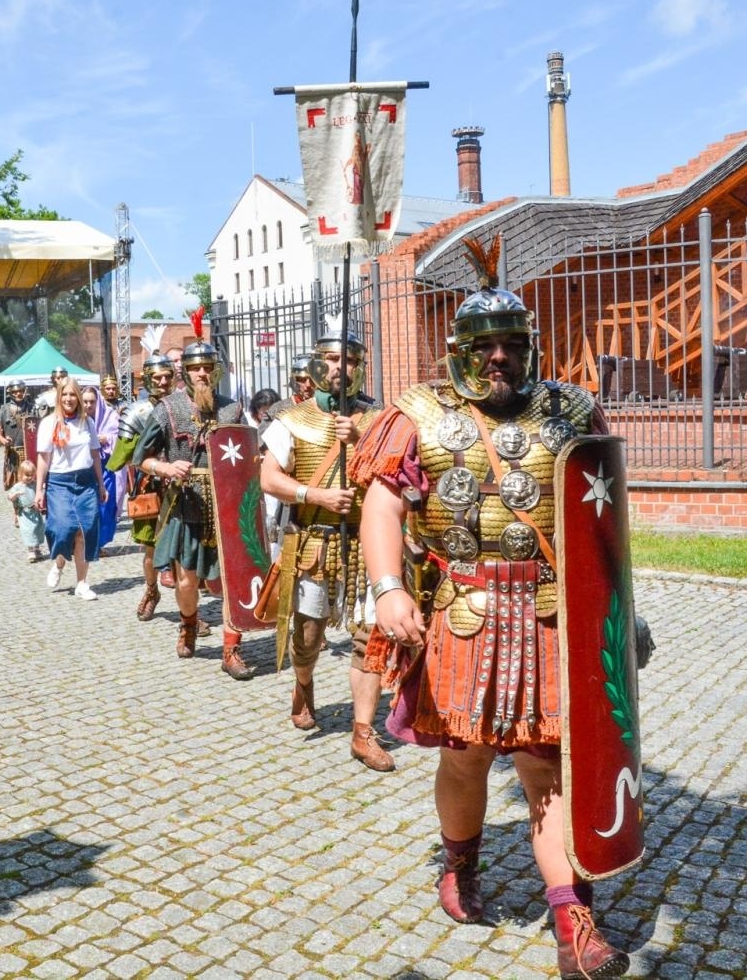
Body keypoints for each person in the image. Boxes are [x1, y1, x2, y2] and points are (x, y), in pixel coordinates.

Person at [349, 240, 630, 978]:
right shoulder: (418, 414)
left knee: (546, 766)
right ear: (461, 350)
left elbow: (603, 518)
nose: (499, 357)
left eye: (511, 344)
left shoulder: (572, 410)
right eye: (485, 345)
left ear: (529, 347)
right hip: (464, 609)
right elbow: (381, 504)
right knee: (466, 756)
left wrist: (620, 608)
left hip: (549, 612)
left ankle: (573, 922)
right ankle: (460, 863)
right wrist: (389, 588)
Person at [260, 327, 394, 772]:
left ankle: (363, 731)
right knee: (309, 638)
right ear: (319, 364)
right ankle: (304, 682)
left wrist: (360, 442)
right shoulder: (291, 420)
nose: (342, 368)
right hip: (314, 543)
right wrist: (315, 495)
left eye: (351, 361)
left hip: (368, 542)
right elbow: (269, 479)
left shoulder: (378, 420)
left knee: (370, 638)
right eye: (334, 360)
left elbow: (398, 475)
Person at [131, 329, 248, 675]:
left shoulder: (232, 409)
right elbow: (140, 458)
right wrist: (166, 467)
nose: (202, 374)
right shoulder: (168, 409)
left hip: (226, 508)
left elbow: (248, 455)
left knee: (230, 582)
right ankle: (188, 623)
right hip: (185, 505)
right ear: (186, 372)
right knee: (186, 582)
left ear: (216, 370)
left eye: (207, 367)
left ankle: (231, 649)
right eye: (196, 368)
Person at [34, 375, 108, 601]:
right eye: (64, 394)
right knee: (62, 529)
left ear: (78, 397)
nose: (69, 399)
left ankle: (82, 583)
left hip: (86, 481)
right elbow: (43, 458)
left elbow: (95, 455)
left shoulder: (88, 423)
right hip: (59, 482)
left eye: (73, 395)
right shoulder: (49, 423)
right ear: (59, 397)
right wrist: (39, 489)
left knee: (84, 531)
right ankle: (59, 562)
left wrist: (101, 484)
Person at [128, 351, 177, 620]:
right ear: (147, 379)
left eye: (167, 376)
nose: (162, 382)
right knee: (150, 547)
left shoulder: (184, 407)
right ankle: (151, 590)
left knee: (182, 548)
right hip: (150, 486)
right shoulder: (137, 412)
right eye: (157, 378)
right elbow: (126, 456)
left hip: (180, 485)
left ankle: (189, 612)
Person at [85, 382, 121, 545]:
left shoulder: (110, 415)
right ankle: (85, 542)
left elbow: (120, 437)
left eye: (92, 402)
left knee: (105, 505)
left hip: (106, 466)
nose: (88, 405)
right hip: (86, 467)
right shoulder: (78, 418)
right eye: (85, 402)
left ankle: (100, 542)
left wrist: (107, 438)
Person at [0, 382, 31, 493]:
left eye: (20, 391)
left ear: (25, 391)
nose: (18, 394)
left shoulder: (32, 408)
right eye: (15, 392)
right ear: (10, 393)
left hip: (31, 453)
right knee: (15, 485)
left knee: (31, 484)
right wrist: (4, 441)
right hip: (13, 453)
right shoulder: (4, 409)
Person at [6, 459, 46, 562]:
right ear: (20, 474)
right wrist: (16, 494)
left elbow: (40, 490)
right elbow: (10, 497)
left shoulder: (35, 484)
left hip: (35, 512)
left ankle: (37, 549)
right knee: (28, 531)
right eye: (26, 475)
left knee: (37, 530)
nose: (29, 477)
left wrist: (43, 487)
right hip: (24, 514)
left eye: (31, 475)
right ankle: (30, 550)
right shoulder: (18, 486)